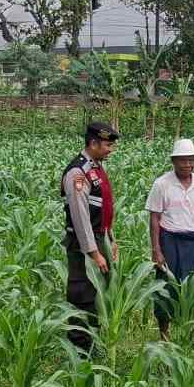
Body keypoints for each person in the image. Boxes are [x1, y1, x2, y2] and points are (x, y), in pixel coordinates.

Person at [145, 137, 194, 340]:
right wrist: (156, 250)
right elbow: (155, 218)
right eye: (182, 160)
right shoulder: (162, 184)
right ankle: (164, 335)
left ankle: (189, 332)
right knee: (165, 289)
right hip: (170, 242)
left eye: (191, 160)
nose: (187, 164)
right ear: (173, 161)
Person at [60, 121, 120, 353]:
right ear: (93, 143)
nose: (110, 149)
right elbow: (80, 216)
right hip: (83, 247)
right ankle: (80, 350)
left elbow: (103, 209)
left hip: (99, 240)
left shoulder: (96, 168)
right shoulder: (78, 172)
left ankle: (93, 343)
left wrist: (111, 241)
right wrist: (93, 252)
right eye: (107, 145)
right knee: (82, 295)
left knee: (97, 295)